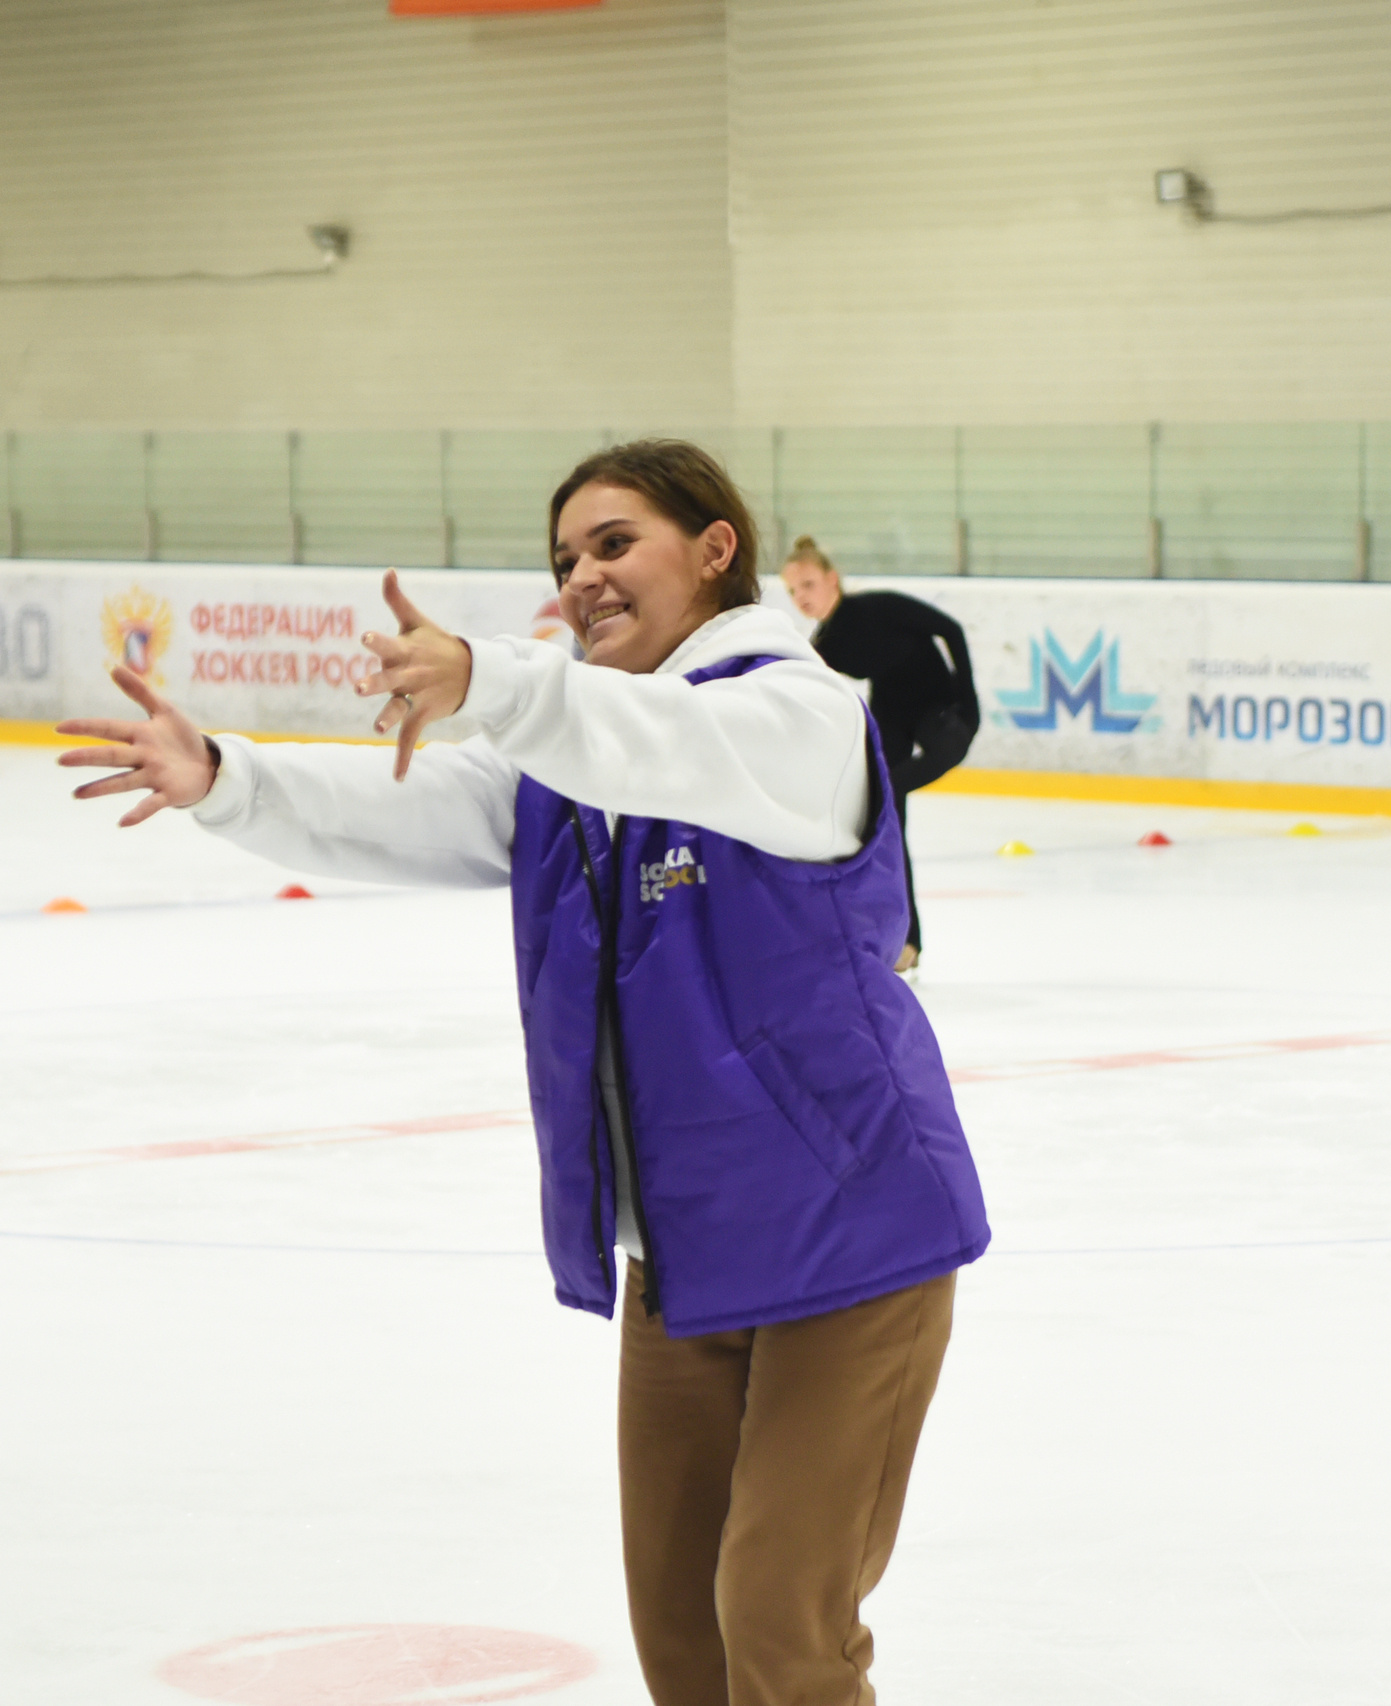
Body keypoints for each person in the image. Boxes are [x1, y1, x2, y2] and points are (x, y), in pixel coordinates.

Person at [57, 440, 989, 1706]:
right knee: (683, 1641)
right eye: (564, 560)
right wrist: (227, 777)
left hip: (852, 1240)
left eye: (616, 543)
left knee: (778, 1620)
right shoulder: (577, 756)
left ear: (716, 549)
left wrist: (498, 682)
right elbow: (415, 806)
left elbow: (661, 745)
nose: (583, 577)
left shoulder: (793, 713)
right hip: (686, 1254)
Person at [781, 538, 978, 973]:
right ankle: (907, 941)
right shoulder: (822, 646)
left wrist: (970, 704)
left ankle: (886, 787)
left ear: (832, 580)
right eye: (794, 592)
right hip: (890, 715)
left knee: (942, 752)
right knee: (890, 825)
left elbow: (952, 630)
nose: (802, 599)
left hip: (936, 705)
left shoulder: (880, 607)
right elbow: (809, 694)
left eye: (809, 585)